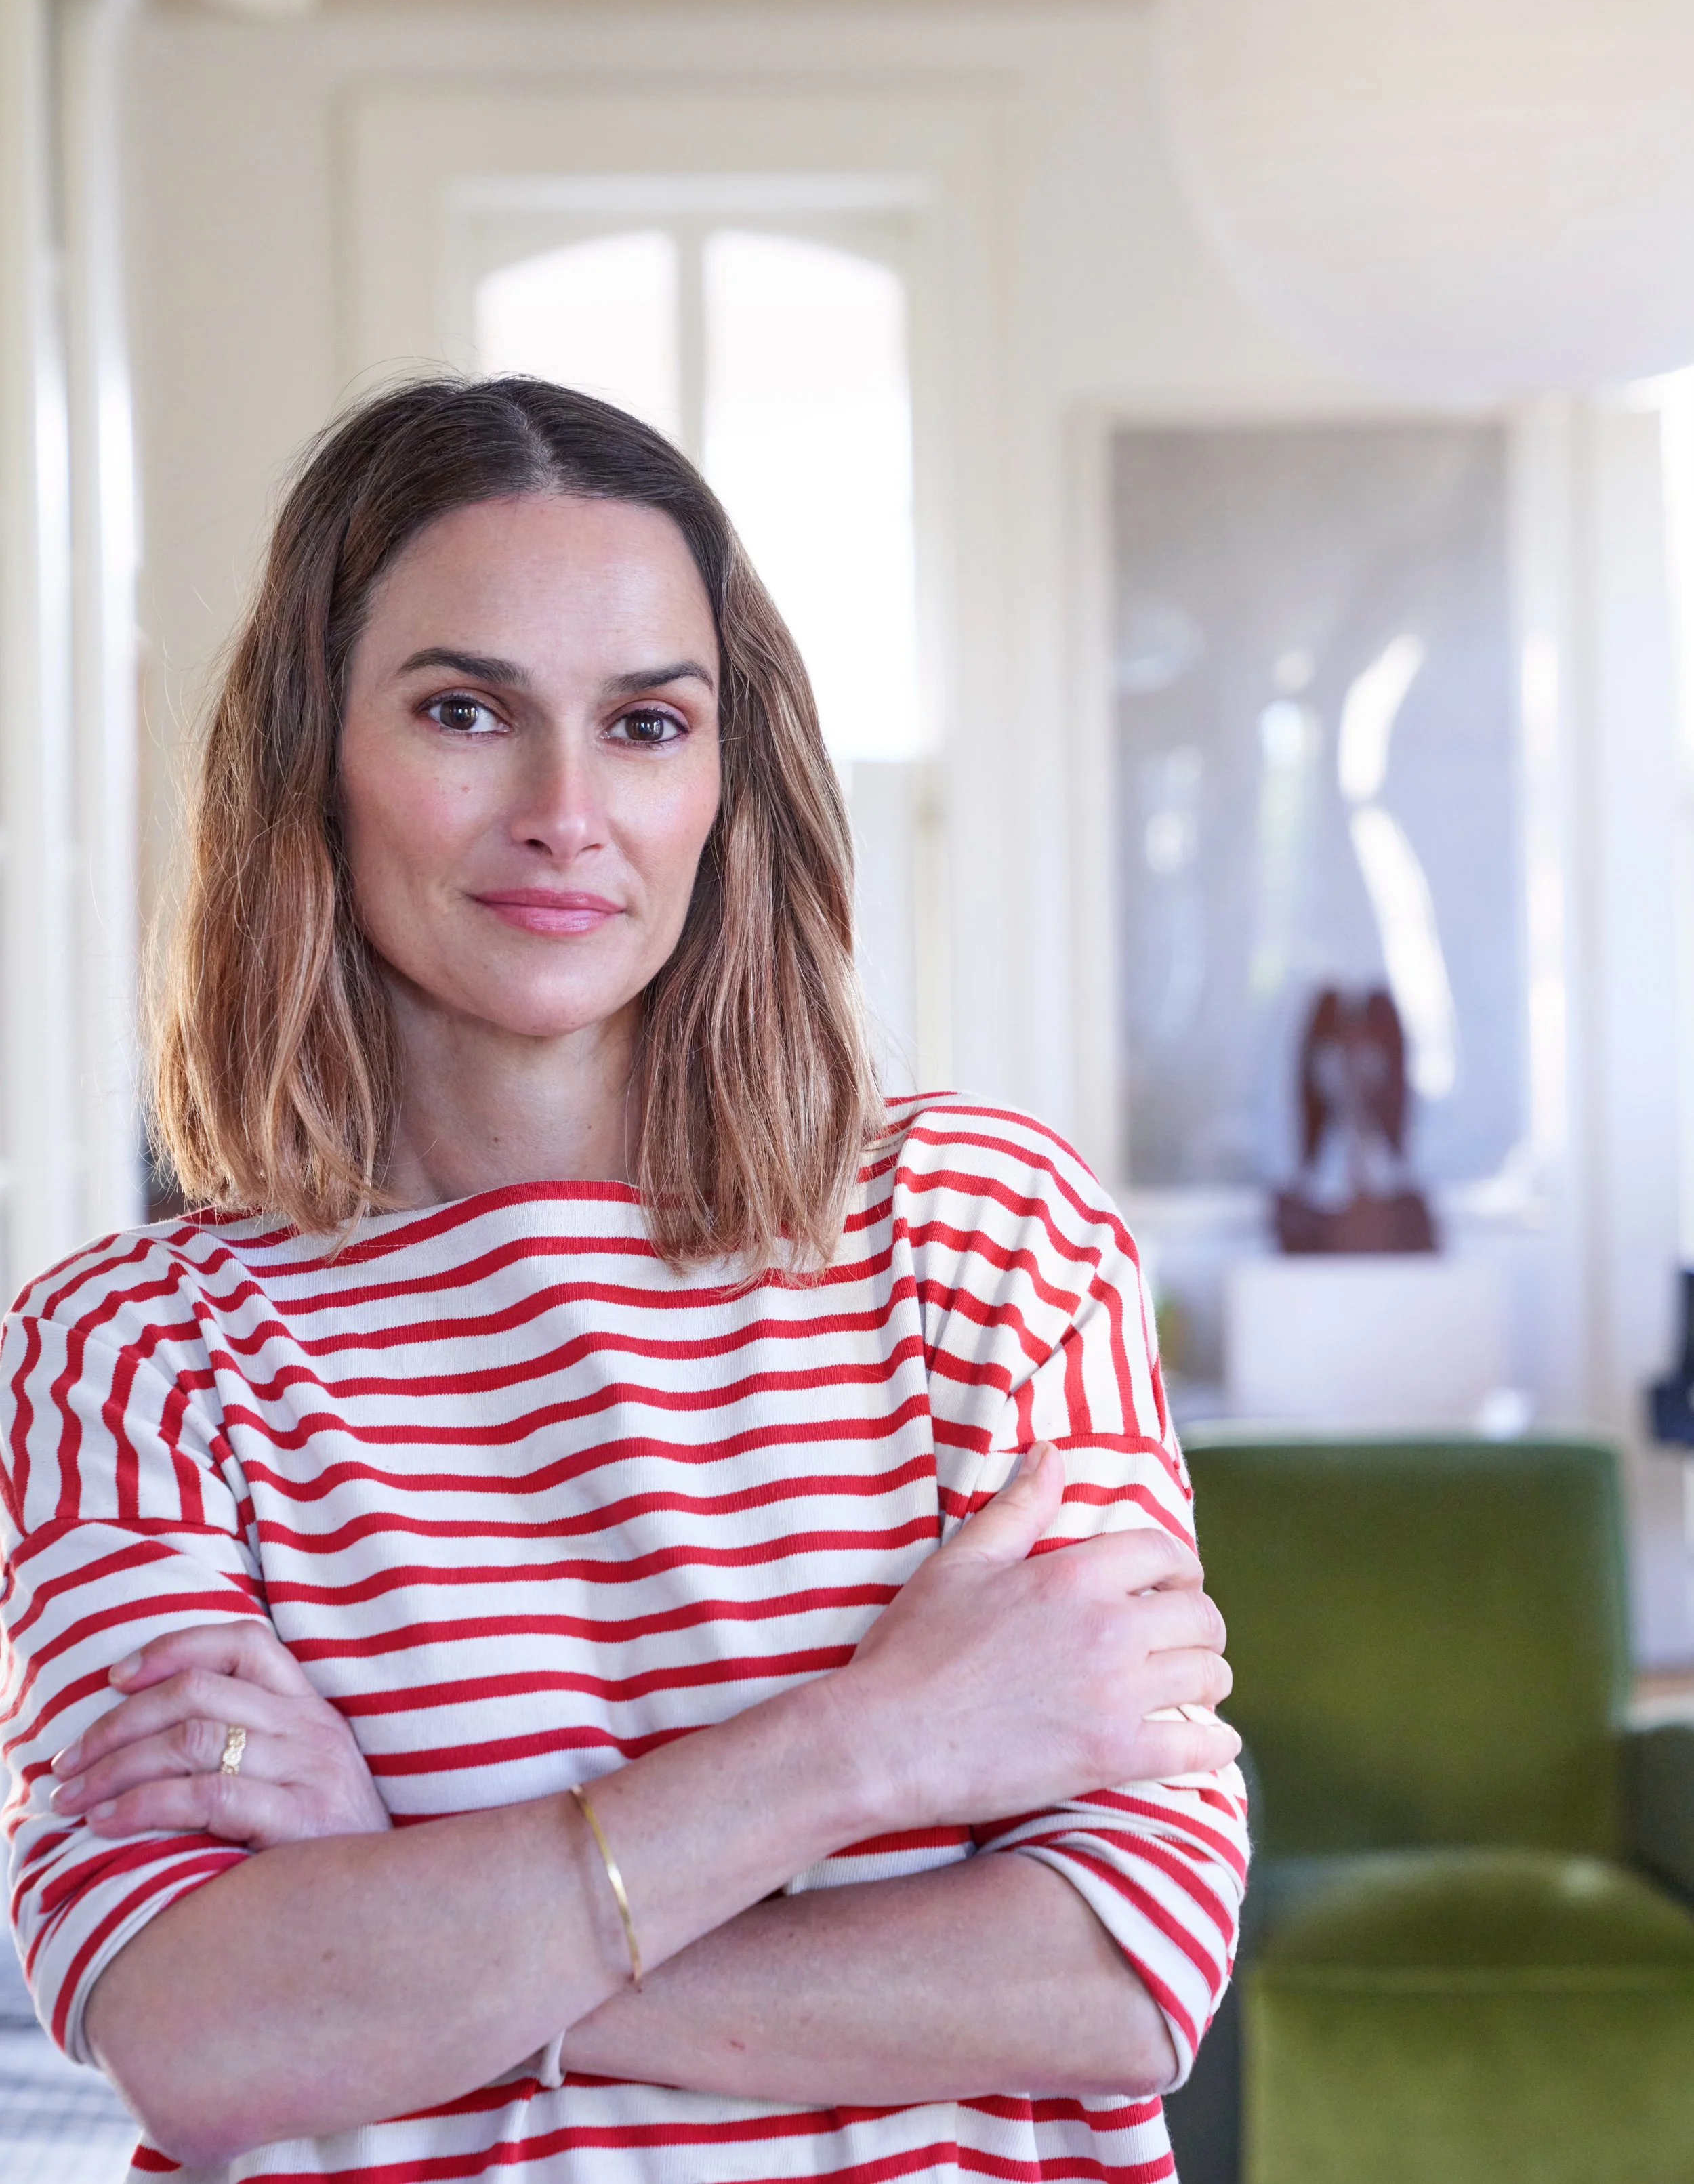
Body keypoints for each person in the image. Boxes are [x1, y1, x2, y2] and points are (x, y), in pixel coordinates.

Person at [0, 377, 1246, 2183]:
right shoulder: (134, 1357)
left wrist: (421, 1921)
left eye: (647, 722)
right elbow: (202, 2039)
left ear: (729, 775)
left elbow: (1120, 1969)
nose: (565, 809)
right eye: (461, 709)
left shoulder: (981, 1241)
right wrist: (864, 1741)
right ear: (309, 760)